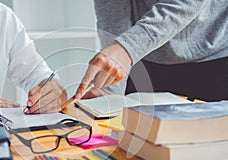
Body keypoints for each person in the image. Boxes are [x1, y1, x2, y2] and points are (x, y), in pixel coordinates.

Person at [75, 0, 228, 101]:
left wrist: (127, 48)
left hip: (215, 59)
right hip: (145, 60)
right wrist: (109, 89)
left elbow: (184, 3)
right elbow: (112, 13)